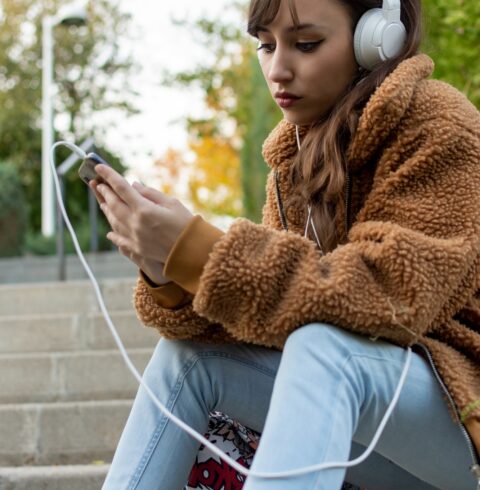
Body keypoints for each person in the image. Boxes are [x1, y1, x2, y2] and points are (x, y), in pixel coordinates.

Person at [93, 0, 480, 488]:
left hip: (459, 418)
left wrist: (203, 251)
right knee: (187, 358)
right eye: (265, 44)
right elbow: (267, 317)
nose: (278, 68)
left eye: (306, 44)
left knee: (324, 345)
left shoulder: (441, 125)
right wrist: (169, 269)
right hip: (378, 440)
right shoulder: (296, 159)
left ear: (376, 38)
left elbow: (390, 295)